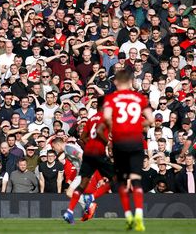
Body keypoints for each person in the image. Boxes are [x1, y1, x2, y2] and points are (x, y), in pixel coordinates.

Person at [102, 69, 154, 231]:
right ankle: (139, 214)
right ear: (131, 81)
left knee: (123, 181)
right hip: (136, 142)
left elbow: (107, 118)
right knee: (136, 179)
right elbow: (151, 120)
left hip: (120, 143)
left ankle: (129, 216)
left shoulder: (111, 98)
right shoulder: (139, 98)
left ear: (117, 82)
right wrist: (137, 125)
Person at [63, 96, 115, 224]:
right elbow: (101, 131)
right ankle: (91, 198)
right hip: (98, 153)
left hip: (88, 153)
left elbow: (83, 137)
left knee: (82, 184)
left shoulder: (91, 119)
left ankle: (69, 212)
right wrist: (106, 142)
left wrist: (90, 144)